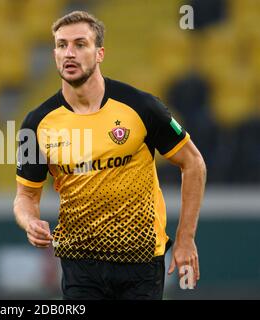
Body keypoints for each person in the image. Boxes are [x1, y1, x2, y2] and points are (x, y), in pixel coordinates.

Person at [13, 11, 206, 300]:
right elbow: (25, 196)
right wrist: (30, 221)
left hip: (140, 260)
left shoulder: (140, 107)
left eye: (80, 44)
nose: (69, 53)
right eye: (62, 45)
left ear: (99, 52)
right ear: (54, 53)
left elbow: (193, 163)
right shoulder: (36, 123)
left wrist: (185, 238)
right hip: (80, 264)